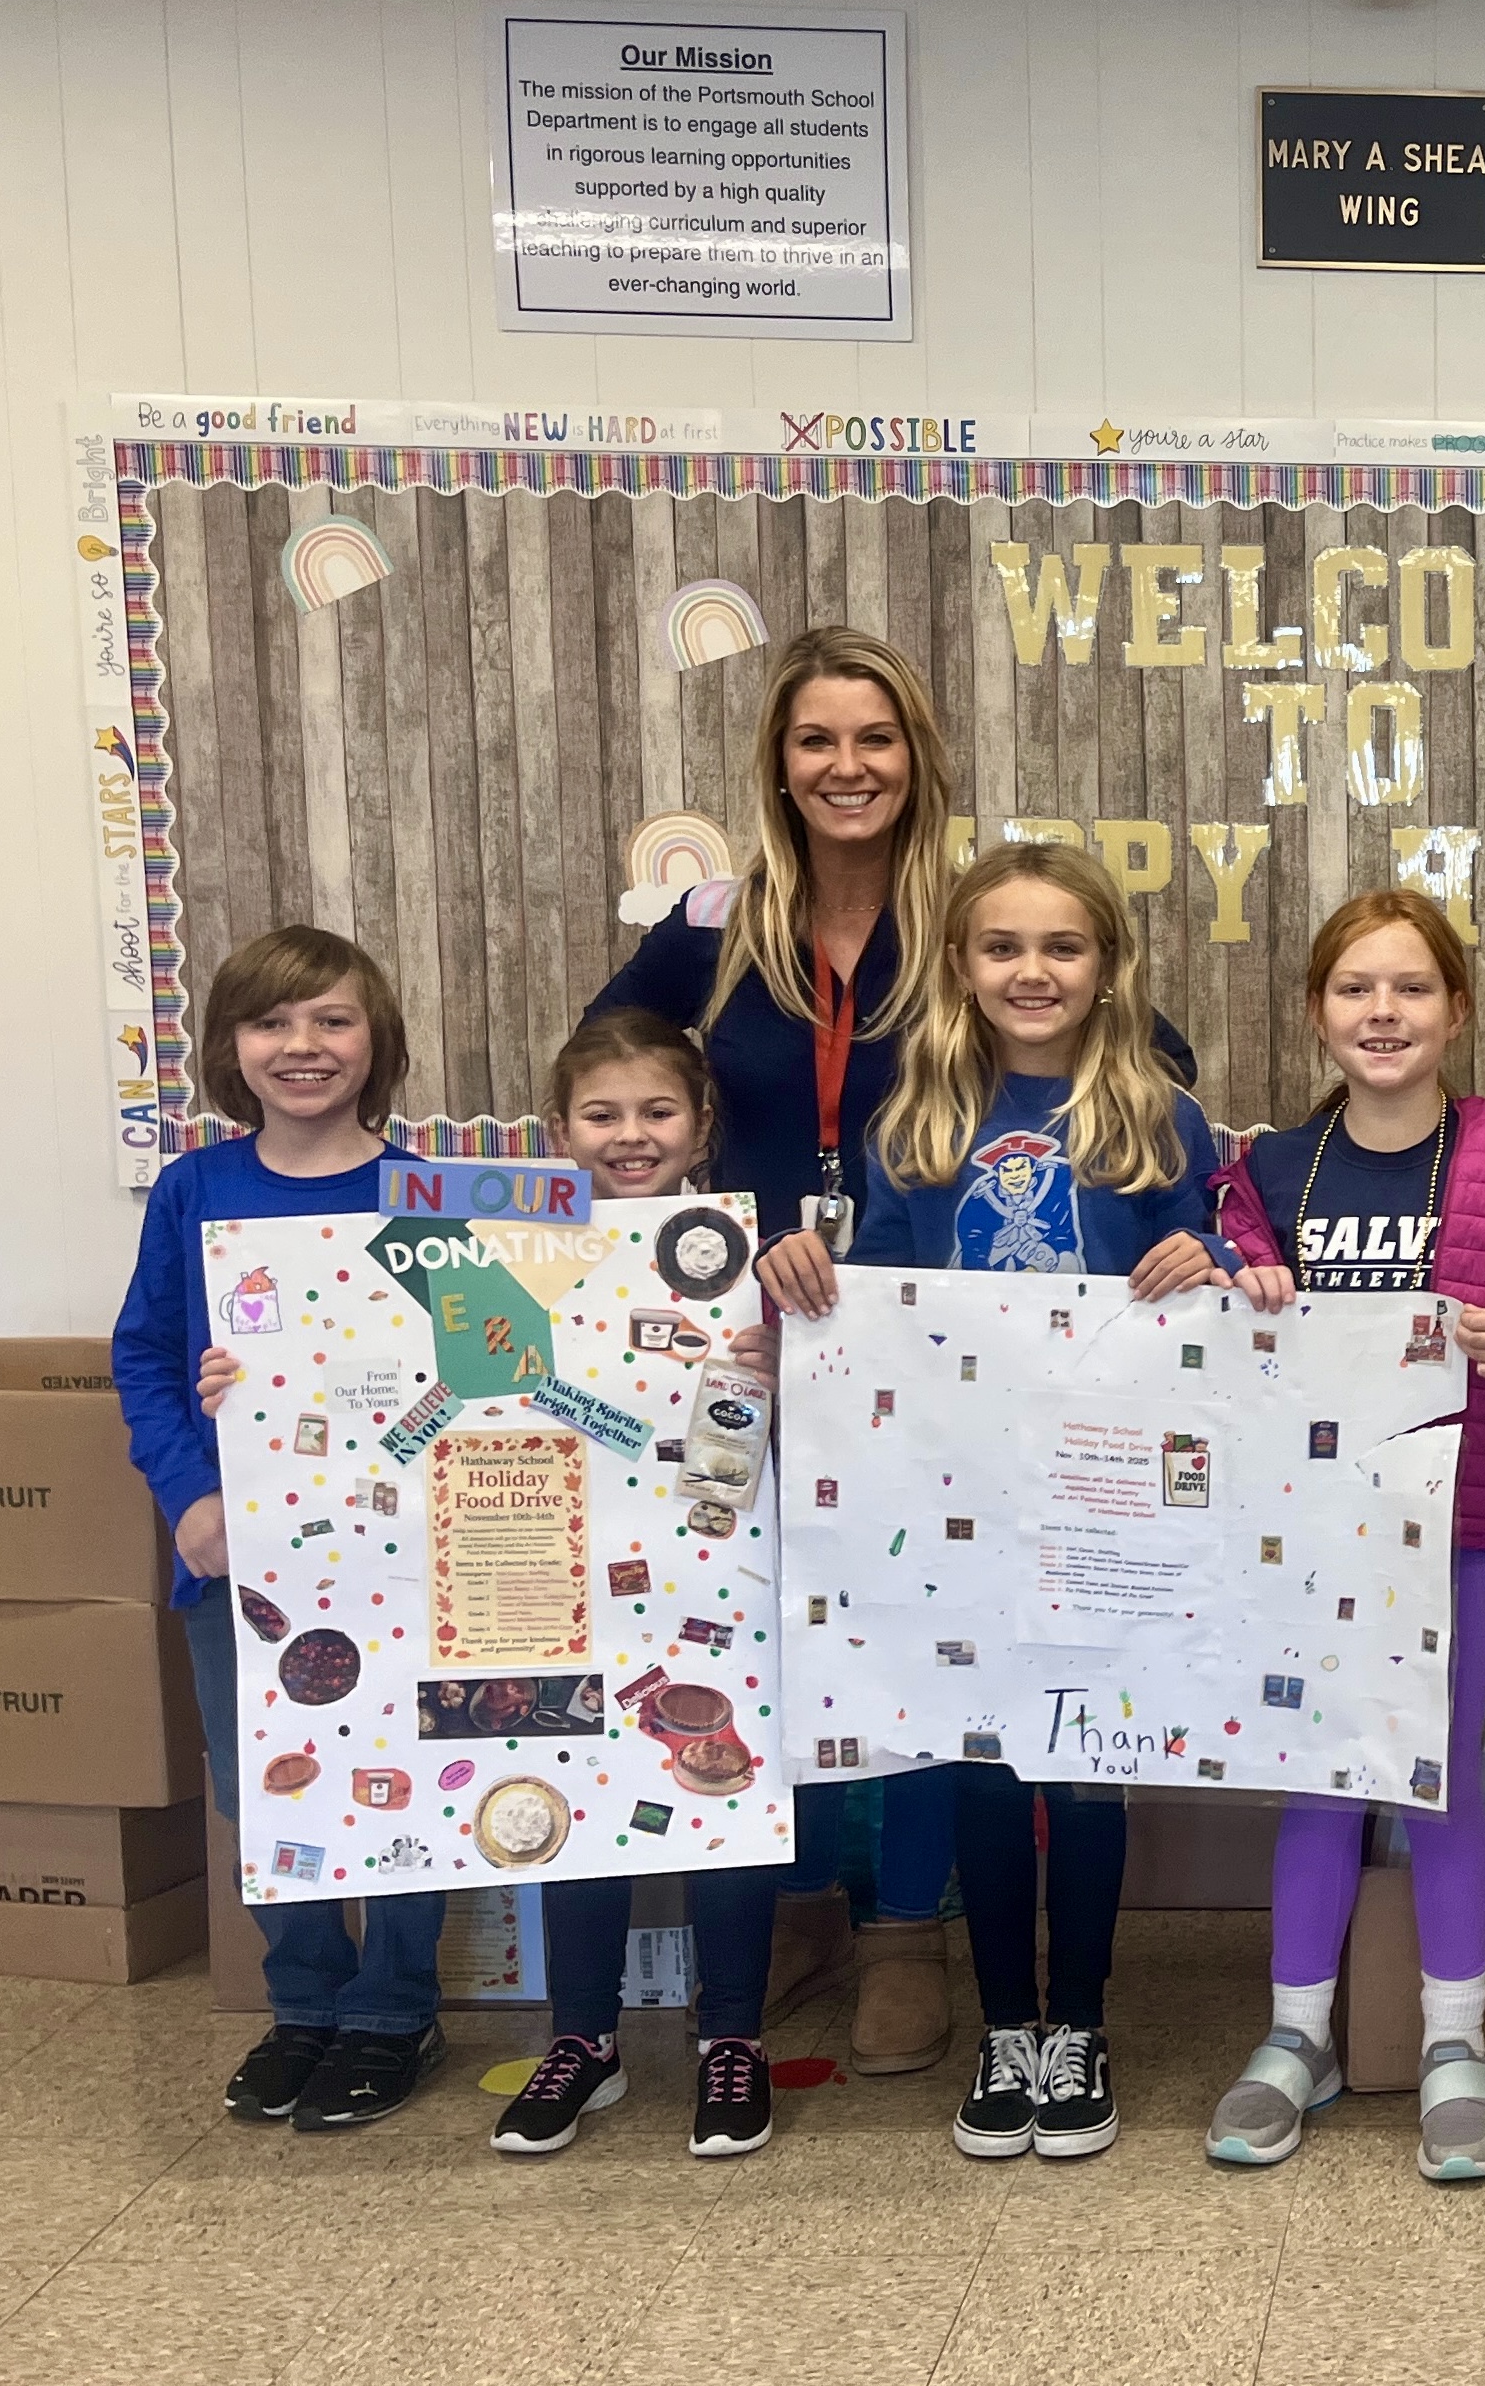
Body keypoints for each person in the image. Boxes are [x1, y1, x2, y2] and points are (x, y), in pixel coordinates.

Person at [591, 627, 1198, 2073]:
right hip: (765, 1318)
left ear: (917, 757)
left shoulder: (968, 921)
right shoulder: (713, 931)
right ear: (778, 762)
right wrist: (682, 1220)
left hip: (928, 1343)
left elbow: (1143, 1060)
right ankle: (795, 1908)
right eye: (816, 739)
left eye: (875, 738)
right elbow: (611, 1080)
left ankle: (904, 1934)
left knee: (923, 1621)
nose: (846, 765)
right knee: (771, 1621)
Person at [774, 841, 1237, 2166]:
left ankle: (1078, 2020)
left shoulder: (1157, 1117)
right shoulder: (914, 1120)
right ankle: (1004, 2027)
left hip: (1104, 1491)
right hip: (961, 1489)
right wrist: (808, 1268)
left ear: (1106, 966)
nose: (1033, 970)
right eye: (1003, 946)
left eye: (1062, 946)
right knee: (980, 1757)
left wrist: (1209, 1256)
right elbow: (870, 1304)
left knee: (1086, 1764)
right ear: (961, 965)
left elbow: (1219, 1263)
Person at [1202, 890, 1485, 2181]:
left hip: (1452, 1522)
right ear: (1317, 1012)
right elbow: (1211, 1331)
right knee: (1319, 1774)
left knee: (1440, 1774)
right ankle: (1296, 2035)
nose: (1384, 1011)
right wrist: (1233, 1278)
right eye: (1355, 987)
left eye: (1412, 987)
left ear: (1456, 1009)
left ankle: (1453, 2038)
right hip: (1307, 1526)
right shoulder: (1268, 1171)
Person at [111, 926, 447, 2133]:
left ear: (377, 1040)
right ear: (230, 1046)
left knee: (403, 1774)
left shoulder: (426, 1196)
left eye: (333, 1019)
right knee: (262, 1785)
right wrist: (190, 1497)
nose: (303, 1045)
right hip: (238, 1555)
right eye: (272, 1022)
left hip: (395, 1554)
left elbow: (484, 1367)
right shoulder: (195, 1190)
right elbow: (144, 1358)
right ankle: (303, 2000)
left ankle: (394, 2009)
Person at [486, 1009, 792, 2162]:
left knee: (730, 1789)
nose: (630, 1134)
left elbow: (817, 1411)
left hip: (718, 1563)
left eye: (657, 1110)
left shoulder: (748, 1263)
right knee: (570, 1780)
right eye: (601, 1113)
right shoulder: (510, 1263)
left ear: (701, 1125)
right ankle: (585, 2037)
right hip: (558, 1566)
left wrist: (783, 1366)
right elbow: (452, 1392)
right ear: (558, 1128)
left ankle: (733, 2036)